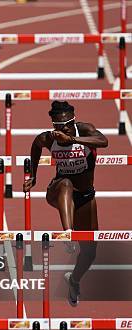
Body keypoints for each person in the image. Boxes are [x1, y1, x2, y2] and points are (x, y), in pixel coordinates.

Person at [23, 101, 108, 306]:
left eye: (67, 125)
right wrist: (33, 176)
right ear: (54, 126)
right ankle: (68, 234)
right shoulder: (49, 138)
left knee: (89, 252)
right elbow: (36, 144)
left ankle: (74, 280)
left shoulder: (84, 129)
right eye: (59, 127)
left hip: (85, 196)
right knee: (66, 183)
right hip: (59, 191)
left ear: (73, 121)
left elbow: (103, 141)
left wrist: (73, 138)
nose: (63, 130)